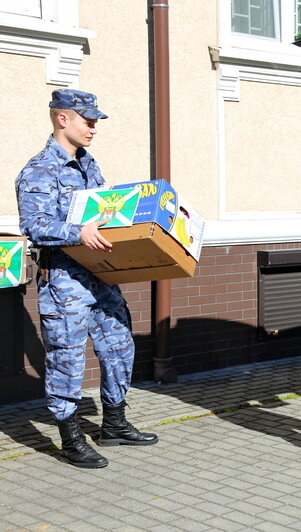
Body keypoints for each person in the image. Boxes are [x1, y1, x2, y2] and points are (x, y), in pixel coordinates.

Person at [15, 89, 157, 469]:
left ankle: (114, 423)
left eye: (95, 120)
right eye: (87, 119)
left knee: (119, 346)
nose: (94, 126)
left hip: (101, 276)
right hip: (65, 282)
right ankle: (69, 436)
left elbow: (103, 210)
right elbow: (34, 225)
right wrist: (78, 232)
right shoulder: (39, 170)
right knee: (67, 358)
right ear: (63, 119)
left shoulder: (89, 165)